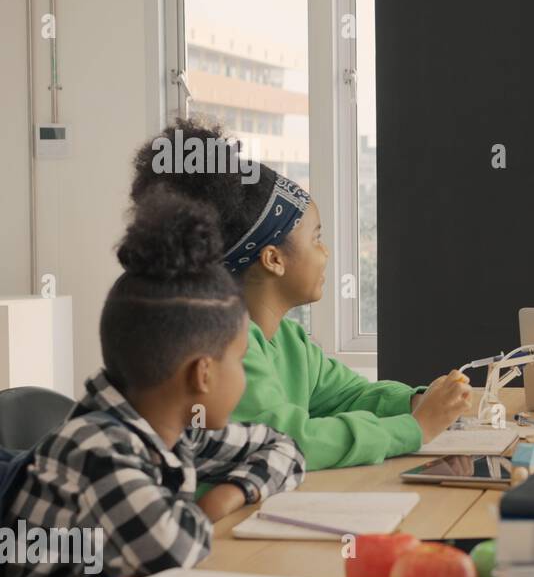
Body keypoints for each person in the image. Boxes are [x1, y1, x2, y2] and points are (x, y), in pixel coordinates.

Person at [0, 192, 304, 577]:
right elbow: (177, 550)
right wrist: (216, 506)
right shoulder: (96, 452)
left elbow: (285, 449)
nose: (243, 377)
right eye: (239, 361)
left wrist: (232, 490)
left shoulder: (176, 430)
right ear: (202, 374)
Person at [130, 120, 472, 472]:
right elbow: (291, 440)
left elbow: (349, 396)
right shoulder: (225, 347)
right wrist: (414, 428)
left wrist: (416, 401)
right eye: (316, 238)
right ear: (274, 259)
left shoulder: (290, 340)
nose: (325, 252)